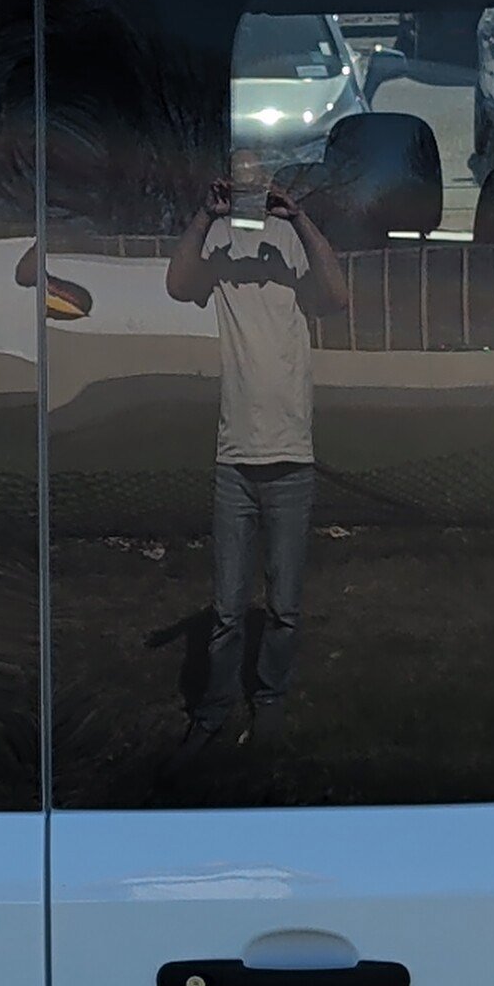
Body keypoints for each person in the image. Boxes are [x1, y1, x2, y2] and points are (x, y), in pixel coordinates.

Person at [164, 148, 347, 746]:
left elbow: (338, 297)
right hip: (234, 457)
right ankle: (213, 712)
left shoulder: (295, 243)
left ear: (271, 184)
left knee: (285, 604)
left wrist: (297, 219)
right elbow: (177, 284)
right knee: (226, 608)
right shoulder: (215, 242)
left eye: (257, 183)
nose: (249, 194)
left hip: (291, 454)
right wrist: (201, 215)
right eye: (239, 184)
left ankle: (268, 700)